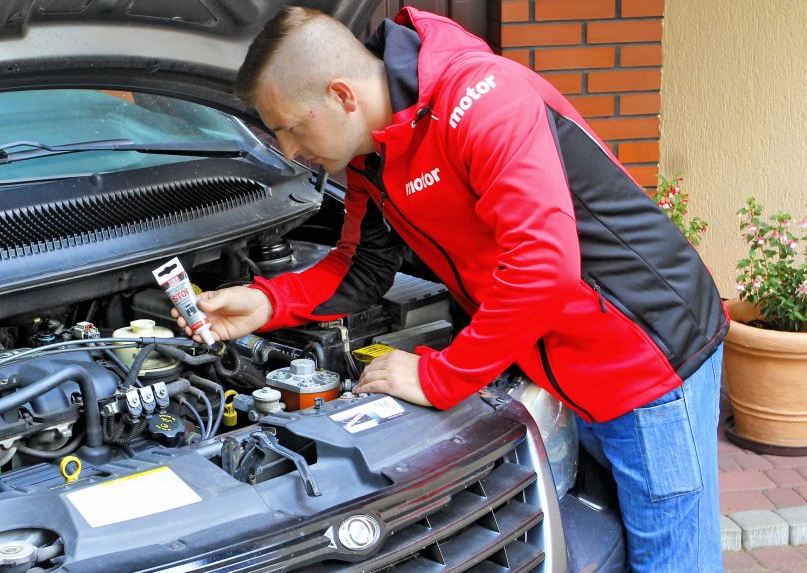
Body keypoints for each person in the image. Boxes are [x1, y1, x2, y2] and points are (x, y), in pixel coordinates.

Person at [173, 6, 728, 571]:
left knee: (671, 559)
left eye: (289, 127)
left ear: (342, 94)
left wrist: (442, 376)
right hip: (565, 360)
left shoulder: (484, 101)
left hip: (650, 359)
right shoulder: (371, 156)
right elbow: (358, 268)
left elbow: (544, 265)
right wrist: (266, 302)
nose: (288, 151)